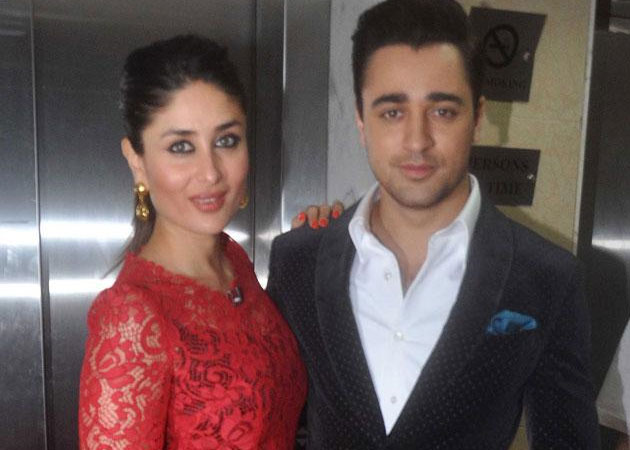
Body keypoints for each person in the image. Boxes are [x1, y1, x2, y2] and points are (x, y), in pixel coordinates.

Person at [267, 0, 600, 448]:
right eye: (392, 111)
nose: (417, 141)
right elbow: (278, 426)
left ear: (478, 118)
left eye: (442, 111)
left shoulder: (546, 279)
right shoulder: (297, 261)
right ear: (361, 122)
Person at [78, 35, 306, 449]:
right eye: (181, 147)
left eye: (226, 140)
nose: (211, 172)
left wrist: (324, 243)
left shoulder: (233, 261)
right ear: (137, 161)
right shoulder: (132, 318)